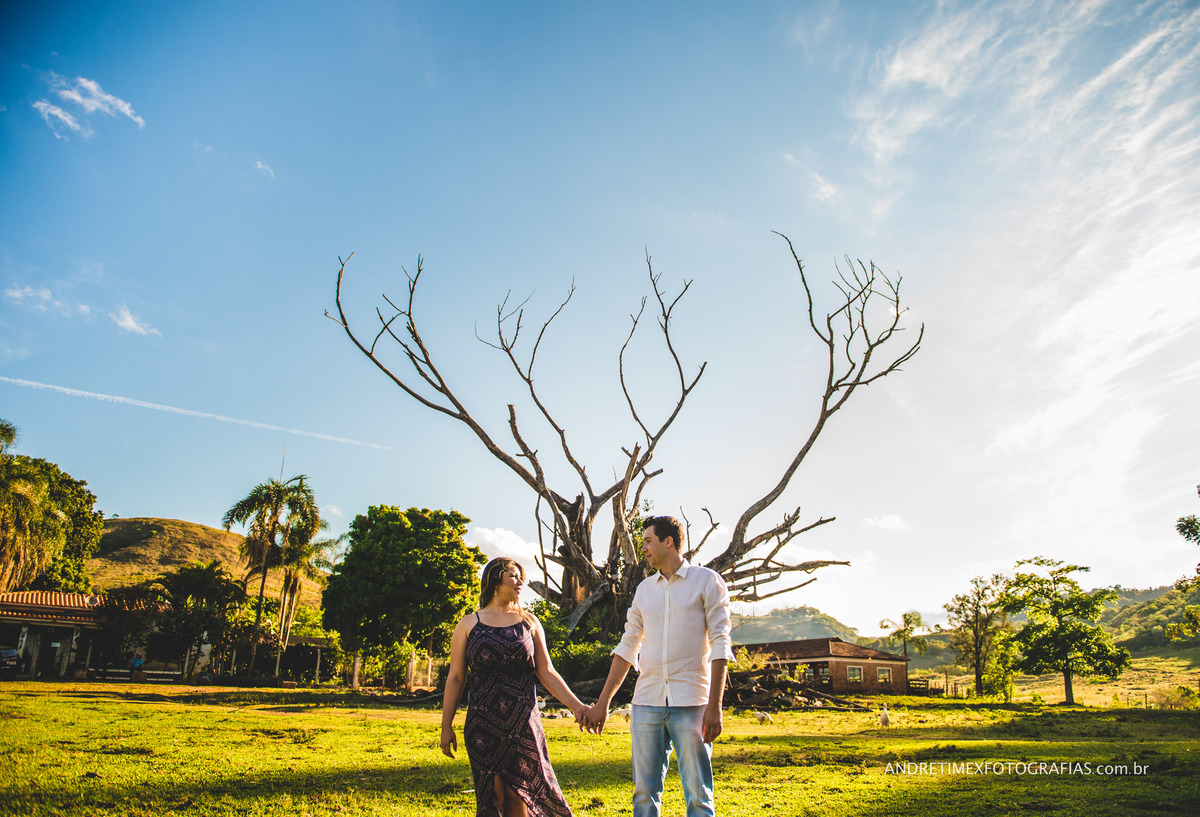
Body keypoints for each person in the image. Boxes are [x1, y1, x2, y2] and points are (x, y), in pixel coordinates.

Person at [581, 516, 733, 817]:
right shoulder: (644, 590)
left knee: (698, 795)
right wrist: (603, 703)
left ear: (669, 542)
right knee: (644, 795)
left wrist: (715, 706)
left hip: (693, 703)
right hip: (646, 703)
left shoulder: (707, 581)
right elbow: (628, 647)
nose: (644, 549)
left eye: (648, 541)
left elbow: (721, 643)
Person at [442, 557, 588, 817]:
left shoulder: (529, 622)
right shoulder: (468, 624)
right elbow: (455, 677)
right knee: (491, 797)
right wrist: (446, 726)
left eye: (520, 576)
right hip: (482, 725)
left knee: (519, 795)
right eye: (513, 576)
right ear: (495, 581)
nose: (521, 581)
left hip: (523, 724)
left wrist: (577, 706)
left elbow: (546, 672)